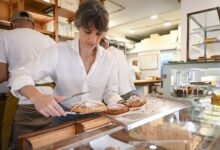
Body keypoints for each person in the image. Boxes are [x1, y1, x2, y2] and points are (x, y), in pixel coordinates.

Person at [9, 0, 123, 125]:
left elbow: (110, 93)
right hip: (63, 116)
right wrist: (36, 97)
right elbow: (20, 74)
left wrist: (121, 105)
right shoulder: (58, 51)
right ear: (78, 26)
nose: (92, 40)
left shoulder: (109, 59)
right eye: (87, 31)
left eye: (99, 34)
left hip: (95, 117)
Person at [0, 11, 56, 149]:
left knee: (19, 144)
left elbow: (2, 75)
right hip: (50, 100)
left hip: (23, 100)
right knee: (45, 143)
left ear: (13, 24)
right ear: (33, 25)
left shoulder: (4, 35)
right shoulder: (50, 40)